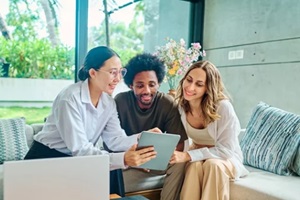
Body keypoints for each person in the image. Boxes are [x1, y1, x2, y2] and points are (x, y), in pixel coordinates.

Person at [24, 46, 157, 195]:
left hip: (76, 160)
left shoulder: (109, 102)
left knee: (112, 168)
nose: (118, 79)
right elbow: (81, 150)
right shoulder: (69, 98)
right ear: (93, 73)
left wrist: (142, 137)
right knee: (113, 165)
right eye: (113, 72)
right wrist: (124, 159)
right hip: (47, 159)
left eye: (121, 72)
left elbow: (115, 140)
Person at [169, 60, 249, 200]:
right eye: (189, 80)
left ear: (208, 88)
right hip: (198, 154)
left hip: (226, 158)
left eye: (199, 84)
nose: (190, 87)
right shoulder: (182, 107)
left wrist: (188, 155)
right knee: (194, 167)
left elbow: (226, 150)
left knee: (213, 165)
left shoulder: (223, 107)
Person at [113, 53, 188, 200]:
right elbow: (112, 143)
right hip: (129, 160)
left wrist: (161, 157)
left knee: (180, 164)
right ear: (130, 85)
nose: (146, 91)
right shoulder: (120, 102)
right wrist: (134, 160)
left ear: (159, 83)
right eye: (140, 85)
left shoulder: (167, 103)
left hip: (156, 161)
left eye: (152, 85)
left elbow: (179, 146)